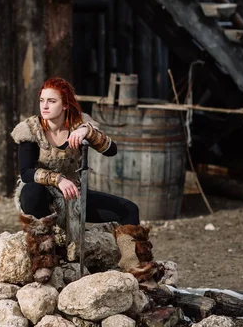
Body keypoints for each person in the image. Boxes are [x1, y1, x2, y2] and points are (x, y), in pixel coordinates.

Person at [11, 77, 159, 284]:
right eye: (42, 100)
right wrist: (58, 179)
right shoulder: (30, 130)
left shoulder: (79, 125)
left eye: (51, 101)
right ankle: (43, 262)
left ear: (65, 104)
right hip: (42, 195)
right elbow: (26, 172)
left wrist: (87, 131)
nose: (45, 105)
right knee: (31, 190)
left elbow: (111, 150)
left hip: (73, 196)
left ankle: (135, 266)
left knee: (128, 209)